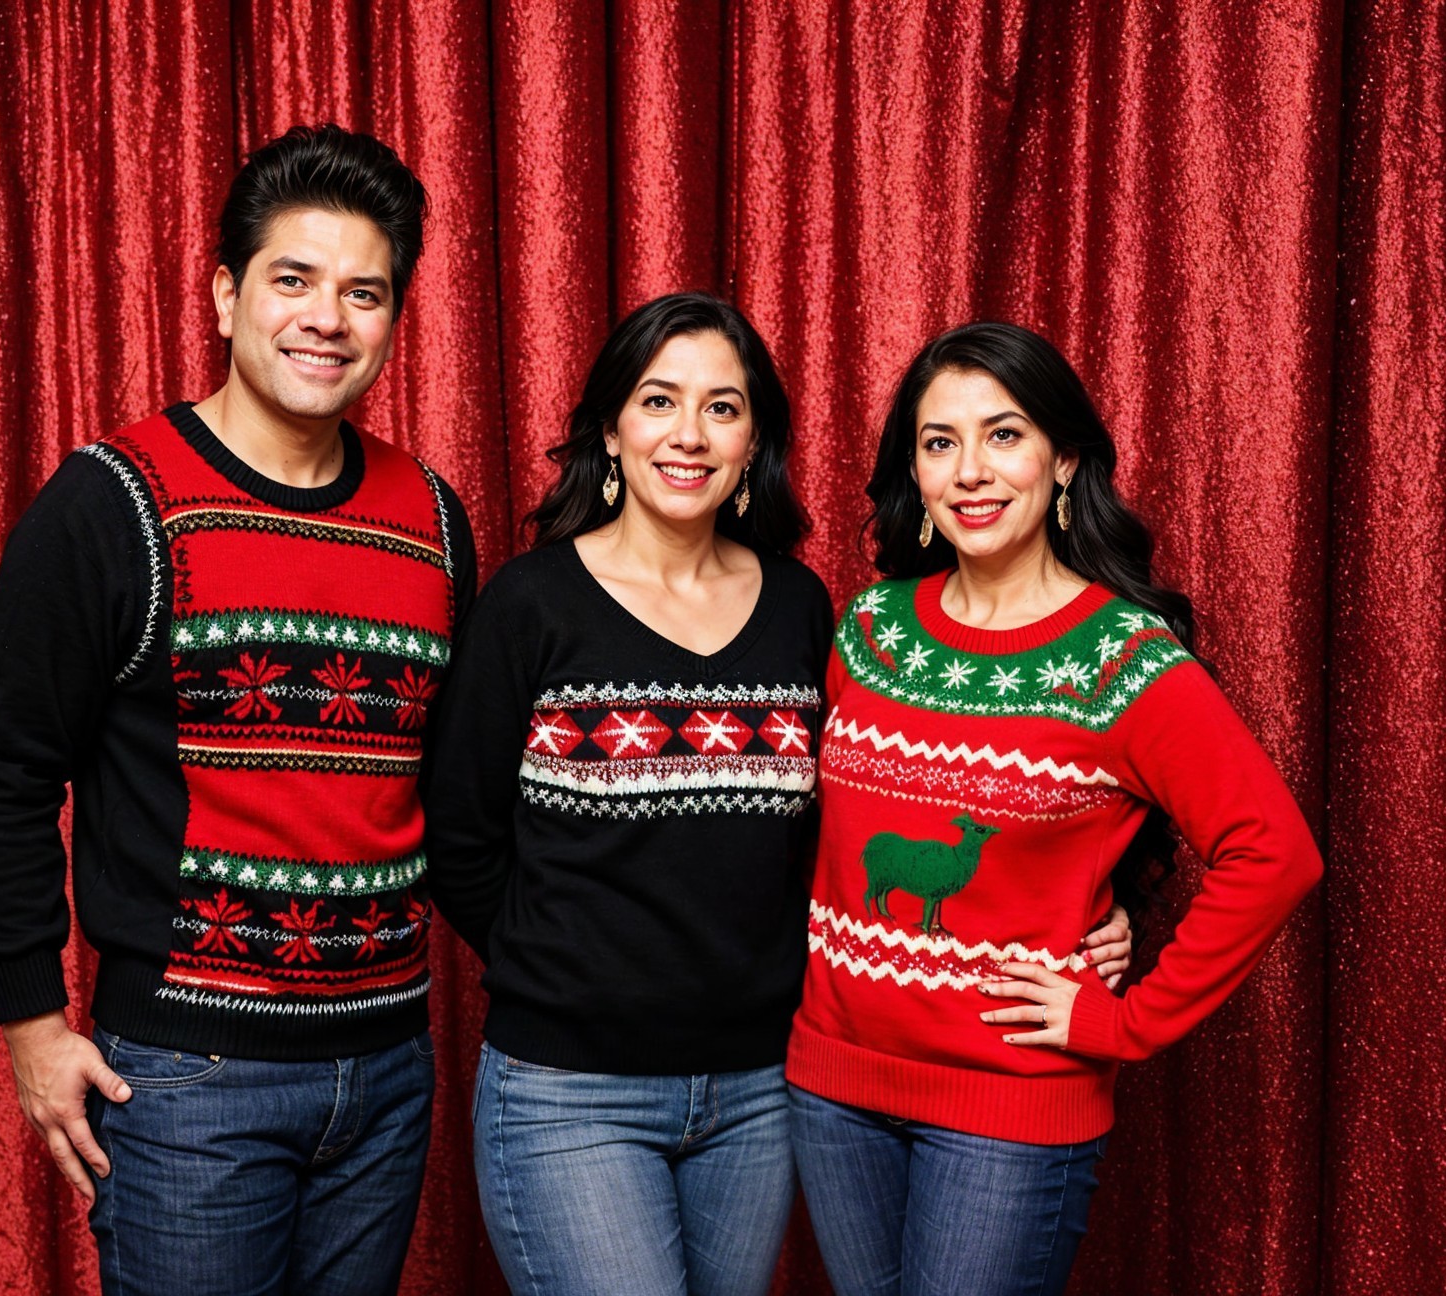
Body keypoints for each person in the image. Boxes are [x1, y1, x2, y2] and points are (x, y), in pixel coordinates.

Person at [422, 297, 1131, 1296]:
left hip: (759, 1091)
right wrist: (570, 965)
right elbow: (458, 834)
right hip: (569, 1091)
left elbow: (904, 797)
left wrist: (1109, 905)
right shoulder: (530, 605)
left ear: (755, 441)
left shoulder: (802, 608)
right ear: (610, 432)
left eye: (723, 407)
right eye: (658, 401)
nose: (689, 433)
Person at [0, 124, 474, 1296]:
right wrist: (33, 1026)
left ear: (393, 317)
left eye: (363, 291)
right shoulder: (112, 503)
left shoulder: (433, 518)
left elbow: (450, 784)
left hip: (388, 1069)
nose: (327, 317)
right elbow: (1, 771)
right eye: (293, 279)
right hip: (191, 1075)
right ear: (227, 293)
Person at [785, 321, 1323, 1296]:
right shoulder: (867, 629)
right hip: (833, 1089)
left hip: (1009, 1110)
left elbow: (1273, 853)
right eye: (939, 441)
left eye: (1004, 434)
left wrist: (1128, 1021)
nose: (970, 471)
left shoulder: (1124, 658)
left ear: (1065, 459)